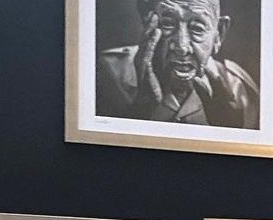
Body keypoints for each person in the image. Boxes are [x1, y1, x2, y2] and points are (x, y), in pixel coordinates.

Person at [96, 0, 259, 129]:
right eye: (168, 24)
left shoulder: (239, 90)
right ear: (147, 19)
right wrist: (140, 111)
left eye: (197, 28)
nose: (182, 47)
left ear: (219, 33)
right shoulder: (107, 75)